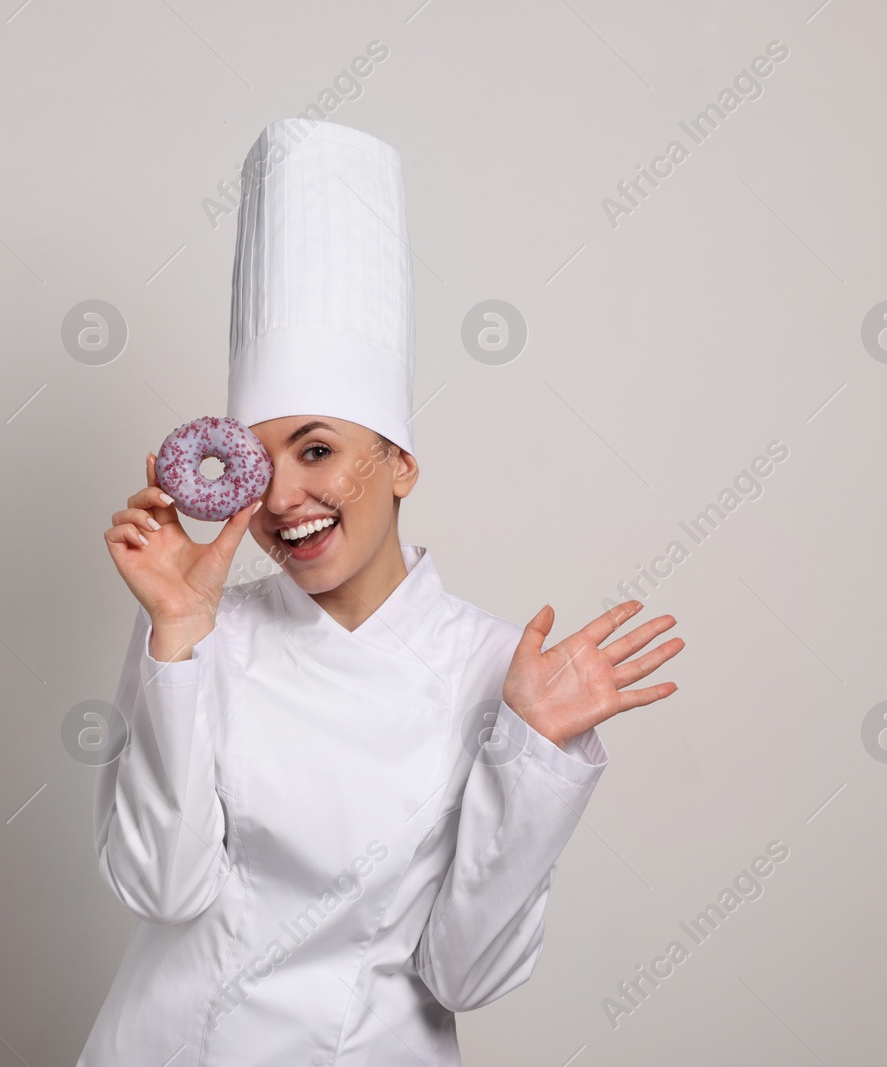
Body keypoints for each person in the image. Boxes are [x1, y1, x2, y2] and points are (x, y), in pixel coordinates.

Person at [85, 118, 683, 1066]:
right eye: (263, 462)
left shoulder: (501, 669)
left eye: (318, 449)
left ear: (399, 462)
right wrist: (176, 638)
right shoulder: (203, 632)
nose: (285, 500)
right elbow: (162, 887)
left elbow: (464, 975)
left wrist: (533, 759)